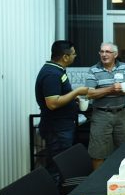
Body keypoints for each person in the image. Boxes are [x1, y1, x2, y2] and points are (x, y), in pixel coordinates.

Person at [35, 40, 89, 180]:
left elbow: (60, 96)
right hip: (57, 129)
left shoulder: (57, 70)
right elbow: (52, 103)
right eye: (73, 54)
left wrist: (72, 99)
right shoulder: (51, 74)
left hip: (62, 127)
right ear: (65, 57)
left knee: (63, 166)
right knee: (57, 168)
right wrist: (76, 92)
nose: (75, 56)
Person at [85, 42, 125, 170]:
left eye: (108, 52)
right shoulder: (93, 70)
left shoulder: (123, 67)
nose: (104, 54)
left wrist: (124, 87)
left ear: (115, 54)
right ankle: (97, 184)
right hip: (101, 115)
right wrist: (111, 89)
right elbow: (90, 93)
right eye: (102, 51)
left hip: (121, 114)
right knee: (98, 152)